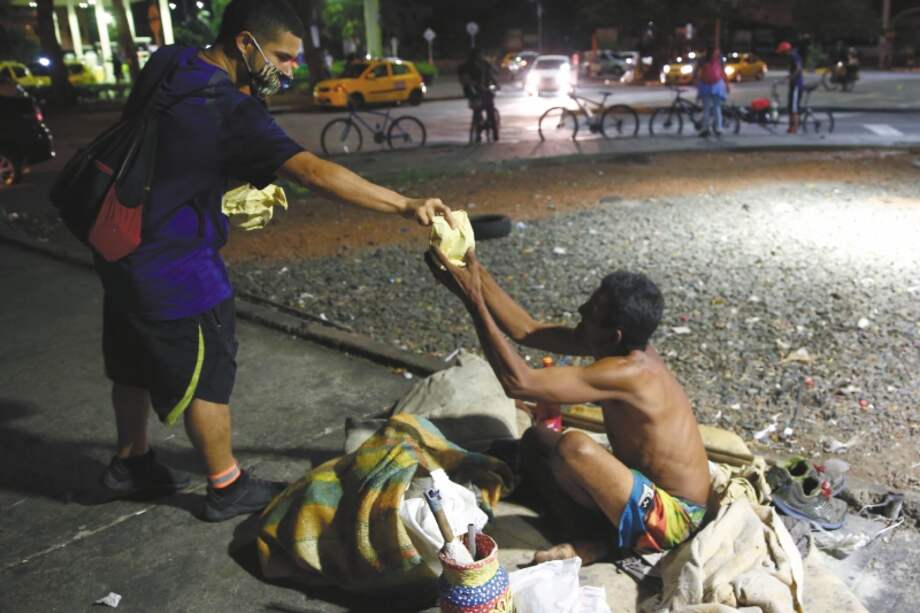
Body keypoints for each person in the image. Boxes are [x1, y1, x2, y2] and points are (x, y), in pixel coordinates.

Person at [91, 0, 453, 522]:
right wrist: (404, 203)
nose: (290, 70)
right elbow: (314, 172)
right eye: (282, 58)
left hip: (118, 244)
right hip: (176, 264)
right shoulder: (231, 110)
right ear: (245, 43)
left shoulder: (169, 63)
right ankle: (225, 486)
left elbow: (168, 142)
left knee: (131, 362)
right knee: (209, 375)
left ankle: (131, 462)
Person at [427, 249, 714, 563]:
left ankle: (602, 543)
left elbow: (519, 383)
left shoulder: (630, 373)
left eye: (589, 313)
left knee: (574, 446)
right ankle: (592, 535)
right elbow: (527, 330)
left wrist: (474, 302)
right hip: (641, 488)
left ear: (612, 335)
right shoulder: (620, 344)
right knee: (536, 440)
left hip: (674, 518)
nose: (580, 310)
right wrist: (473, 273)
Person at [457, 48, 499, 142]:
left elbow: (491, 75)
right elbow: (492, 75)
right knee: (488, 108)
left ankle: (482, 131)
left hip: (475, 92)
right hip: (477, 91)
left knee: (482, 109)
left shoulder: (481, 64)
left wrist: (495, 84)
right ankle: (491, 132)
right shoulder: (477, 65)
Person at [694, 45, 729, 137]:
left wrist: (696, 82)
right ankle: (718, 128)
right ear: (715, 50)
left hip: (705, 86)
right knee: (717, 108)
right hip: (717, 86)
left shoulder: (702, 59)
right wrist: (727, 84)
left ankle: (705, 129)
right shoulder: (719, 58)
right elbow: (723, 72)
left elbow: (696, 71)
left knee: (706, 109)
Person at [776, 41, 803, 134]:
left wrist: (791, 77)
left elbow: (798, 69)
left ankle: (794, 128)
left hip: (796, 86)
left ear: (785, 51)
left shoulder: (793, 55)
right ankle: (790, 127)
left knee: (794, 108)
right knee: (790, 107)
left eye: (783, 52)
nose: (783, 55)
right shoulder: (792, 56)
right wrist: (787, 78)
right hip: (793, 85)